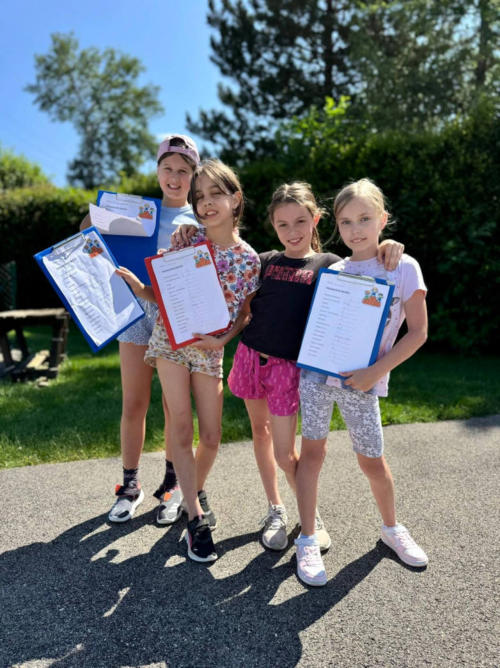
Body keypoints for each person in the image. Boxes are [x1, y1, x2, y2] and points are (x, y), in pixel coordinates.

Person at [226, 182, 404, 553]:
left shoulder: (330, 265)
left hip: (288, 368)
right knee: (259, 433)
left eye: (300, 222)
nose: (292, 231)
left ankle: (311, 517)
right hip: (250, 357)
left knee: (284, 453)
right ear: (273, 226)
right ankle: (276, 509)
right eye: (283, 224)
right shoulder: (265, 261)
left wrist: (389, 245)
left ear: (316, 220)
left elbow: (365, 258)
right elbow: (240, 295)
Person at [117, 159, 260, 562]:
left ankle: (191, 490)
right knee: (180, 424)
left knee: (211, 435)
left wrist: (223, 340)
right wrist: (139, 288)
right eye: (199, 197)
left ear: (236, 199)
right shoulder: (185, 239)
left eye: (216, 194)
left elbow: (245, 313)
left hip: (210, 351)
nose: (206, 203)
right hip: (171, 343)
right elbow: (163, 294)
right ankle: (195, 518)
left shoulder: (250, 259)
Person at [294, 177, 428, 586]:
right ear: (336, 225)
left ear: (383, 219)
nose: (356, 229)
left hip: (363, 382)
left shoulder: (403, 267)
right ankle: (307, 538)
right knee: (311, 456)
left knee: (372, 460)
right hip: (317, 377)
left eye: (365, 219)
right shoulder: (334, 270)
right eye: (347, 221)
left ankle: (391, 529)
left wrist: (375, 372)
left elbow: (418, 333)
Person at [81, 134, 201, 525]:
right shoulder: (138, 212)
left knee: (173, 407)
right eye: (167, 168)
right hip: (135, 311)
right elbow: (87, 231)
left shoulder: (200, 218)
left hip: (174, 316)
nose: (174, 177)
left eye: (183, 170)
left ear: (194, 175)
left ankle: (172, 483)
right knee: (134, 402)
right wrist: (100, 213)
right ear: (157, 170)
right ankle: (130, 485)